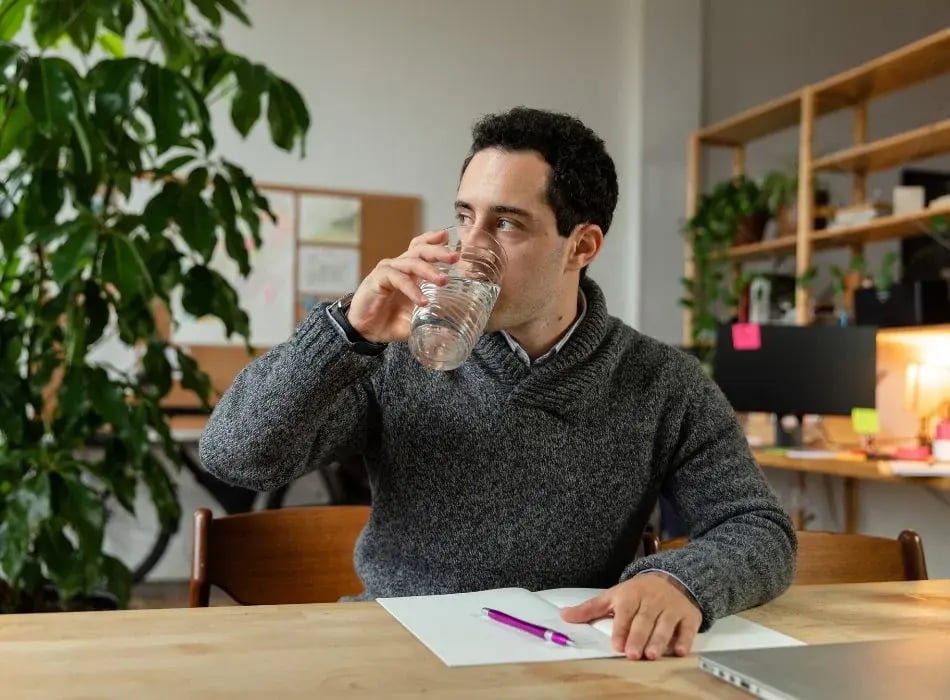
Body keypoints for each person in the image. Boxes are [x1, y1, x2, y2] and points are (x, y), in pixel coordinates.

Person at [199, 106, 797, 661]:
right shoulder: (391, 354)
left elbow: (758, 526)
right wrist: (344, 336)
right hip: (401, 647)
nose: (470, 248)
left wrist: (680, 581)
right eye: (464, 217)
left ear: (581, 246)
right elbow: (234, 456)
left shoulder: (661, 382)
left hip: (567, 654)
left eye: (506, 224)